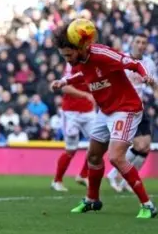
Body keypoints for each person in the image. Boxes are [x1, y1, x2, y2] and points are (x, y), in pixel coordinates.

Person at [50, 23, 157, 219]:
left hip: (126, 108)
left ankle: (147, 205)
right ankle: (92, 201)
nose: (67, 59)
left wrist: (145, 76)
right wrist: (64, 81)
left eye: (68, 55)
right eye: (64, 56)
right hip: (105, 110)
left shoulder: (102, 54)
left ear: (80, 48)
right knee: (93, 156)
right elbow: (85, 74)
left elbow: (132, 62)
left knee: (116, 157)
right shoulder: (81, 60)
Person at [107, 33, 156, 192]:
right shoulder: (122, 60)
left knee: (146, 147)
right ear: (132, 43)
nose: (141, 45)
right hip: (125, 108)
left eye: (144, 42)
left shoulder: (149, 63)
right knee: (137, 145)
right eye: (138, 41)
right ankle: (114, 174)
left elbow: (154, 85)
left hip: (141, 106)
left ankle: (126, 182)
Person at [50, 63, 96, 191]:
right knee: (71, 149)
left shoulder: (94, 62)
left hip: (89, 112)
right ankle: (57, 181)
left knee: (98, 143)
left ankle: (83, 174)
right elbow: (65, 88)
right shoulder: (72, 64)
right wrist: (86, 95)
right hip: (71, 113)